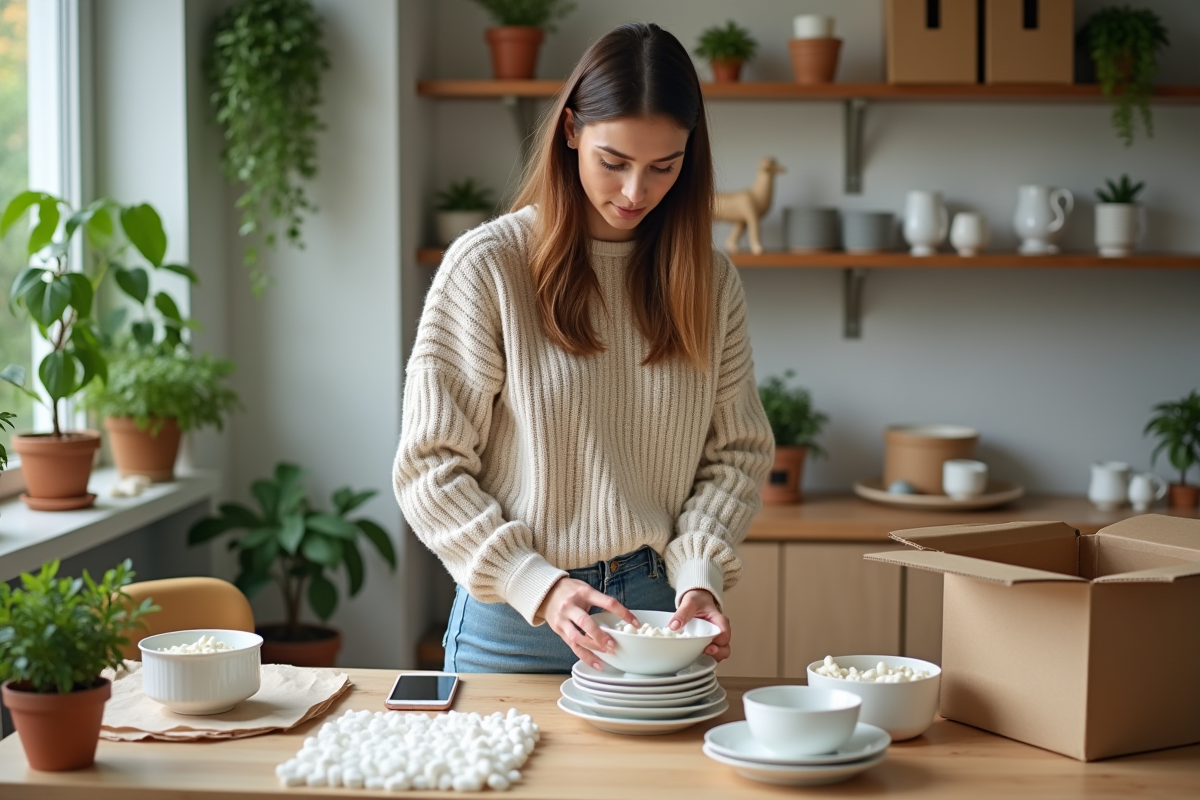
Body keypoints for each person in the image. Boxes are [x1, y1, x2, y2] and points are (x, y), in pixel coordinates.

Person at [393, 22, 774, 674]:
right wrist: (535, 583)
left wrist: (701, 573)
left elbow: (735, 453)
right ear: (571, 130)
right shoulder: (488, 267)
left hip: (660, 614)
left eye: (663, 167)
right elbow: (429, 466)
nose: (635, 193)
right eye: (614, 162)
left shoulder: (710, 282)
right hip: (514, 621)